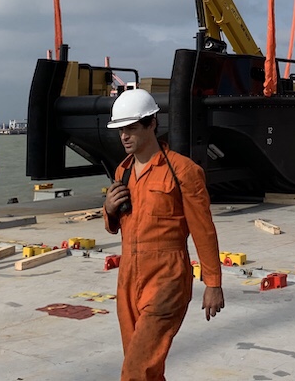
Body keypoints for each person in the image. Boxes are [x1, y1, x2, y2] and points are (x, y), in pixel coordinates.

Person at [103, 89, 224, 381]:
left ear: (152, 123)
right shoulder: (123, 171)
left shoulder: (184, 171)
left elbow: (203, 229)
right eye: (121, 130)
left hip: (167, 278)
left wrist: (213, 283)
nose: (124, 136)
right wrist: (108, 209)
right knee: (146, 365)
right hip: (128, 279)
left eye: (131, 128)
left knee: (136, 370)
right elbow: (117, 225)